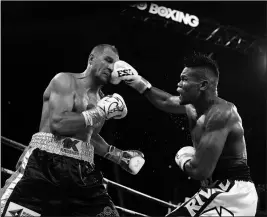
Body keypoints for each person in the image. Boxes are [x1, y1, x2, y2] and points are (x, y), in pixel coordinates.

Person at [1, 44, 145, 217]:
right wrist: (99, 112)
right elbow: (59, 124)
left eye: (115, 65)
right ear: (91, 59)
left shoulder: (101, 100)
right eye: (107, 60)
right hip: (44, 165)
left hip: (83, 172)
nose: (111, 67)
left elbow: (87, 135)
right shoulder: (65, 81)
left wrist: (118, 155)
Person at [110, 53, 258, 216]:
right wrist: (137, 81)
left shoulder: (222, 114)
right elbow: (165, 101)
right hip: (214, 190)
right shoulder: (191, 107)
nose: (178, 84)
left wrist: (184, 159)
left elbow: (199, 170)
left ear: (202, 85)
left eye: (184, 79)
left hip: (232, 192)